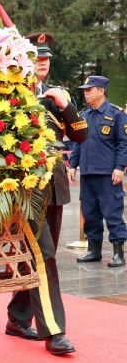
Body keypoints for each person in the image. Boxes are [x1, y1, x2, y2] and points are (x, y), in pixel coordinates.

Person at [5, 33, 88, 355]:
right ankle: (54, 330)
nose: (42, 62)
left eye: (46, 57)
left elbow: (81, 135)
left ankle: (17, 315)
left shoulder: (58, 96)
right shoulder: (10, 94)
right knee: (45, 255)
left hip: (53, 186)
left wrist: (66, 106)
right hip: (25, 188)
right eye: (35, 56)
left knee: (37, 255)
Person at [70, 75, 127, 268]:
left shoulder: (116, 114)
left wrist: (120, 168)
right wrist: (72, 165)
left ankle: (118, 253)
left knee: (112, 213)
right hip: (87, 173)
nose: (86, 93)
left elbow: (123, 144)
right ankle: (94, 250)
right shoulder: (84, 115)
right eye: (85, 90)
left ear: (101, 91)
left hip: (108, 175)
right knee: (90, 214)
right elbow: (77, 142)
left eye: (89, 89)